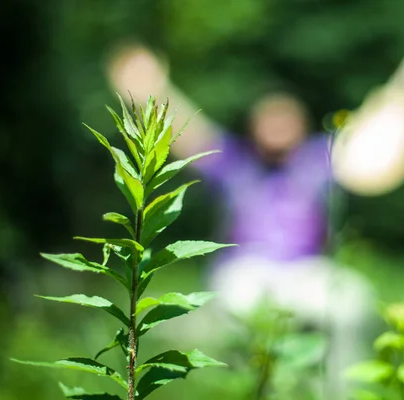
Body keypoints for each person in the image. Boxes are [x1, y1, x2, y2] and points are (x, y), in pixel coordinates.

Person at [107, 43, 375, 399]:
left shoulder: (318, 161)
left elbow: (375, 141)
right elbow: (188, 131)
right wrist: (149, 88)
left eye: (286, 119)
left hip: (307, 271)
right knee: (240, 308)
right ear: (253, 127)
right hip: (245, 271)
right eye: (269, 119)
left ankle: (340, 393)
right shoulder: (234, 163)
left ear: (302, 125)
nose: (277, 127)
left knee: (353, 299)